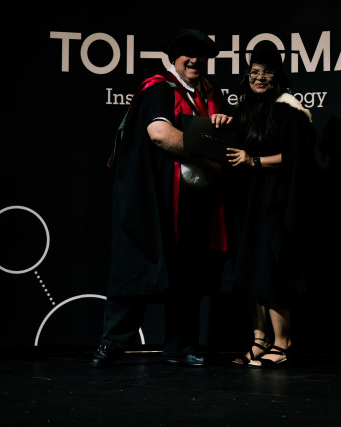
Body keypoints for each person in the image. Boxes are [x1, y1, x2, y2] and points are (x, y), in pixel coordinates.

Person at [91, 28, 232, 368]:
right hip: (158, 198)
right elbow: (159, 134)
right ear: (174, 58)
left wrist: (224, 127)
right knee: (138, 264)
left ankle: (180, 346)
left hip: (196, 199)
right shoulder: (159, 89)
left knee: (189, 272)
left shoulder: (212, 94)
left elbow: (228, 143)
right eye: (188, 54)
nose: (194, 60)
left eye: (201, 55)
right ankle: (113, 343)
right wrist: (209, 156)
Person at [225, 43, 317, 368]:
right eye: (254, 72)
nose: (259, 77)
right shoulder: (247, 109)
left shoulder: (289, 110)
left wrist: (253, 161)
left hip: (275, 199)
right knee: (250, 267)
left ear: (277, 76)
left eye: (266, 72)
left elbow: (296, 158)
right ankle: (259, 339)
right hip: (249, 200)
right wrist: (223, 122)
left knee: (272, 269)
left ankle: (283, 342)